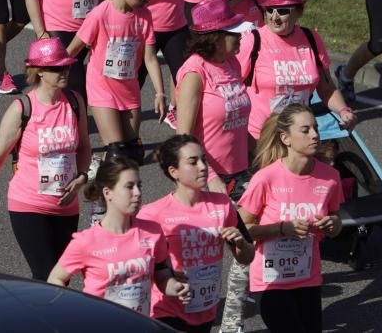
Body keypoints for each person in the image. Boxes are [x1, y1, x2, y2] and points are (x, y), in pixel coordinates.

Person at [0, 38, 90, 280]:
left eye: (65, 66)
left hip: (66, 206)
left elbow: (85, 148)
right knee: (46, 275)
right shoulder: (22, 108)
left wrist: (82, 178)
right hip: (28, 204)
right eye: (56, 68)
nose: (64, 71)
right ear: (40, 72)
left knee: (61, 278)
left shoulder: (75, 102)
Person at [237, 106, 344, 333]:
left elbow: (336, 222)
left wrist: (333, 225)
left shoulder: (331, 178)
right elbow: (242, 229)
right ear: (285, 138)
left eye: (315, 128)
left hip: (307, 277)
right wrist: (282, 228)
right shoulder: (266, 178)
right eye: (305, 130)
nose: (315, 135)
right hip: (271, 280)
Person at [137, 135, 254, 333]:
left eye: (203, 160)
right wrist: (168, 278)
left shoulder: (223, 204)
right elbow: (137, 267)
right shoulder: (153, 214)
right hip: (167, 311)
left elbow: (247, 257)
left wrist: (241, 243)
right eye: (193, 162)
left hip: (206, 309)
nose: (202, 167)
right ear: (174, 172)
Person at [47, 157, 192, 315]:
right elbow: (56, 278)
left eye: (139, 186)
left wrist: (175, 287)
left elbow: (162, 276)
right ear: (108, 193)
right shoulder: (86, 241)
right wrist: (71, 311)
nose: (137, 193)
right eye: (129, 187)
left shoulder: (153, 232)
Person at [66, 0, 166, 165]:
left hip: (129, 90)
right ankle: (102, 190)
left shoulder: (144, 16)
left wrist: (160, 93)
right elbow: (73, 49)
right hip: (102, 88)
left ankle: (98, 169)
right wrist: (50, 74)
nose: (147, 0)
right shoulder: (100, 14)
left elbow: (149, 58)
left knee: (132, 154)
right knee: (117, 153)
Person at [237, 0, 356, 140]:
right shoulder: (252, 41)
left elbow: (326, 88)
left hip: (300, 137)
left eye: (282, 11)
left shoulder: (311, 39)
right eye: (270, 10)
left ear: (298, 12)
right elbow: (232, 88)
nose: (274, 17)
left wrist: (343, 111)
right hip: (262, 137)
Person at [174, 0, 253, 193]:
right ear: (216, 37)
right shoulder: (194, 72)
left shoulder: (232, 63)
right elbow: (183, 137)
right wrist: (210, 176)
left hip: (241, 172)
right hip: (207, 178)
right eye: (234, 32)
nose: (241, 36)